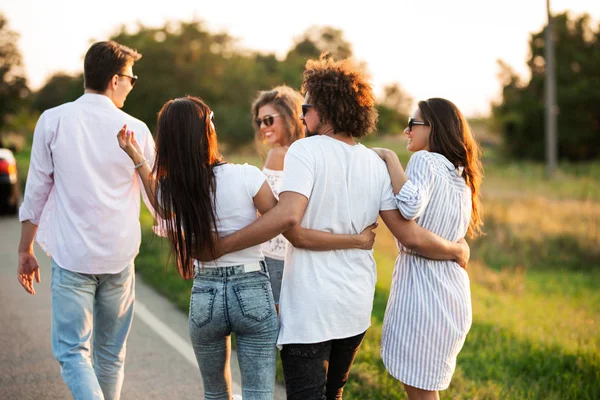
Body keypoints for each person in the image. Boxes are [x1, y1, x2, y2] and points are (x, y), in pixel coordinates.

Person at [207, 56, 471, 400]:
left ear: (325, 109)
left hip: (311, 306)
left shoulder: (304, 150)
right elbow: (406, 234)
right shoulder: (374, 162)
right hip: (354, 306)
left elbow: (289, 219)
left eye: (306, 107)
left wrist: (222, 244)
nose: (301, 116)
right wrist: (457, 248)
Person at [116, 95, 376, 400]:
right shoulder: (246, 176)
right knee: (257, 394)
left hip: (206, 293)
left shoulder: (175, 192)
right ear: (207, 131)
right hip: (251, 288)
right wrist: (353, 238)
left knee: (215, 394)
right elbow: (283, 222)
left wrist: (137, 157)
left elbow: (159, 205)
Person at [17, 41, 152, 400]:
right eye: (130, 78)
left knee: (73, 353)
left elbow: (36, 192)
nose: (131, 84)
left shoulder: (54, 120)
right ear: (114, 80)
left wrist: (25, 248)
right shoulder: (136, 129)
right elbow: (159, 204)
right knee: (110, 355)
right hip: (120, 258)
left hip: (72, 256)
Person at [375, 98, 483, 400]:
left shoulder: (425, 160)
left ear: (432, 127)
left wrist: (388, 157)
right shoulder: (460, 174)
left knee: (421, 394)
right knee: (425, 390)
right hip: (452, 293)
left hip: (424, 293)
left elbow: (409, 206)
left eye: (413, 124)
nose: (406, 130)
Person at [251, 85, 304, 307]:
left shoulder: (278, 154)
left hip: (275, 255)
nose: (263, 127)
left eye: (269, 120)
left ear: (289, 117)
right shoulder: (307, 152)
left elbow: (264, 210)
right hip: (301, 257)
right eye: (259, 121)